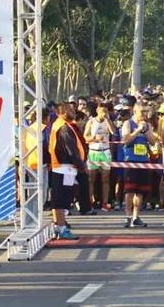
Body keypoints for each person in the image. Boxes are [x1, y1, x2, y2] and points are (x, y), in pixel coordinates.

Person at [47, 102, 86, 240]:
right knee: (61, 199)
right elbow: (71, 150)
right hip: (64, 168)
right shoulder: (63, 128)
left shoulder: (63, 125)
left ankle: (60, 226)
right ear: (62, 113)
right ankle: (61, 228)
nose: (74, 111)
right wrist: (81, 164)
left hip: (65, 168)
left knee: (63, 198)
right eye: (70, 110)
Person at [121, 103, 158, 228]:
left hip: (143, 161)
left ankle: (136, 216)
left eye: (146, 111)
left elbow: (153, 142)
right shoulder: (128, 124)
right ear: (135, 111)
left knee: (140, 191)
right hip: (131, 160)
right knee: (129, 190)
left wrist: (146, 130)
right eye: (142, 111)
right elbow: (125, 140)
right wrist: (137, 130)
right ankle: (128, 216)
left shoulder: (147, 125)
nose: (144, 114)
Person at [84, 102, 116, 211]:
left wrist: (108, 120)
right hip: (93, 151)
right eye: (102, 111)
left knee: (105, 178)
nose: (104, 113)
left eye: (106, 111)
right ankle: (90, 201)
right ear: (97, 111)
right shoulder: (91, 121)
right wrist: (94, 138)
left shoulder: (108, 121)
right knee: (91, 178)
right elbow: (85, 136)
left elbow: (113, 132)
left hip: (105, 151)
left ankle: (105, 202)